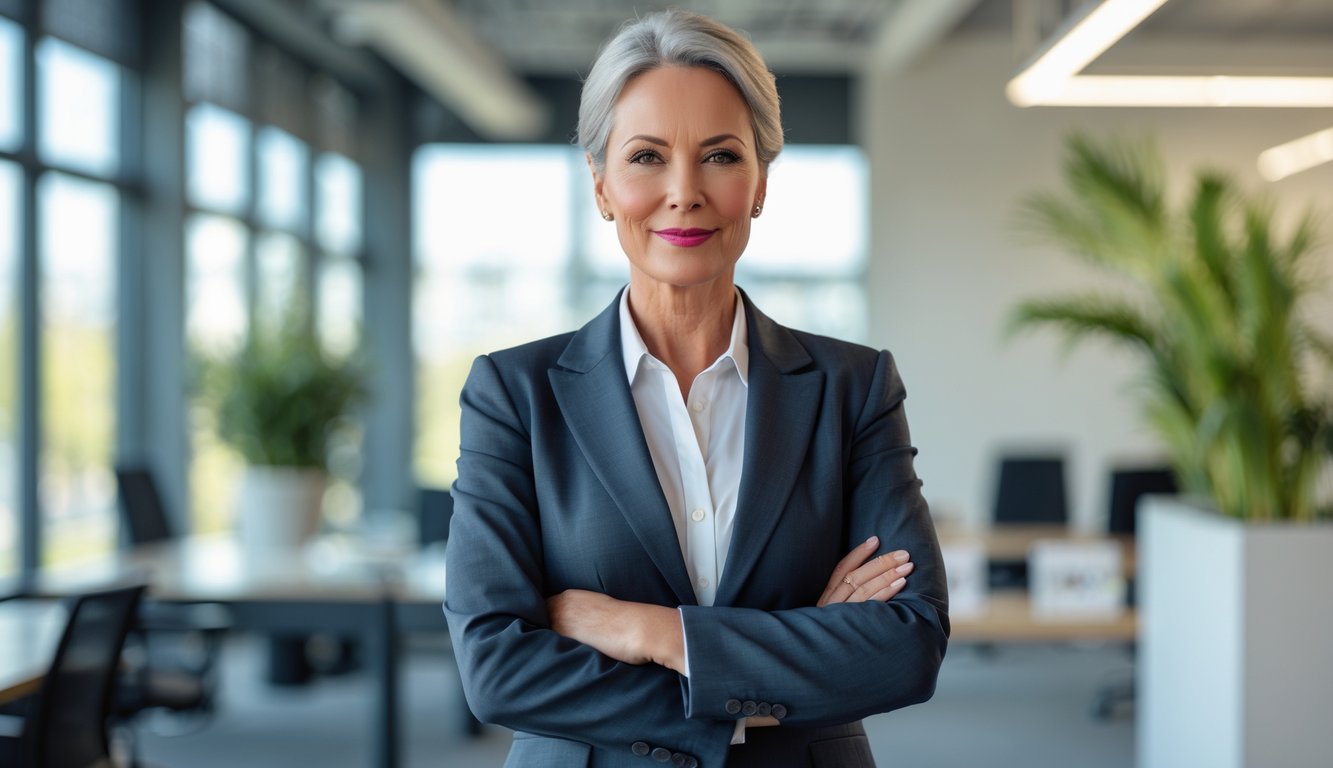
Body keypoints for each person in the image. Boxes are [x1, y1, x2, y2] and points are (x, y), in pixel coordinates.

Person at [444, 9, 948, 767]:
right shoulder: (513, 395)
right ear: (602, 183)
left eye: (719, 155)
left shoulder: (853, 387)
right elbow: (496, 668)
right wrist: (782, 663)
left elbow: (905, 646)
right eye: (646, 157)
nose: (684, 192)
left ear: (760, 184)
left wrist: (650, 632)